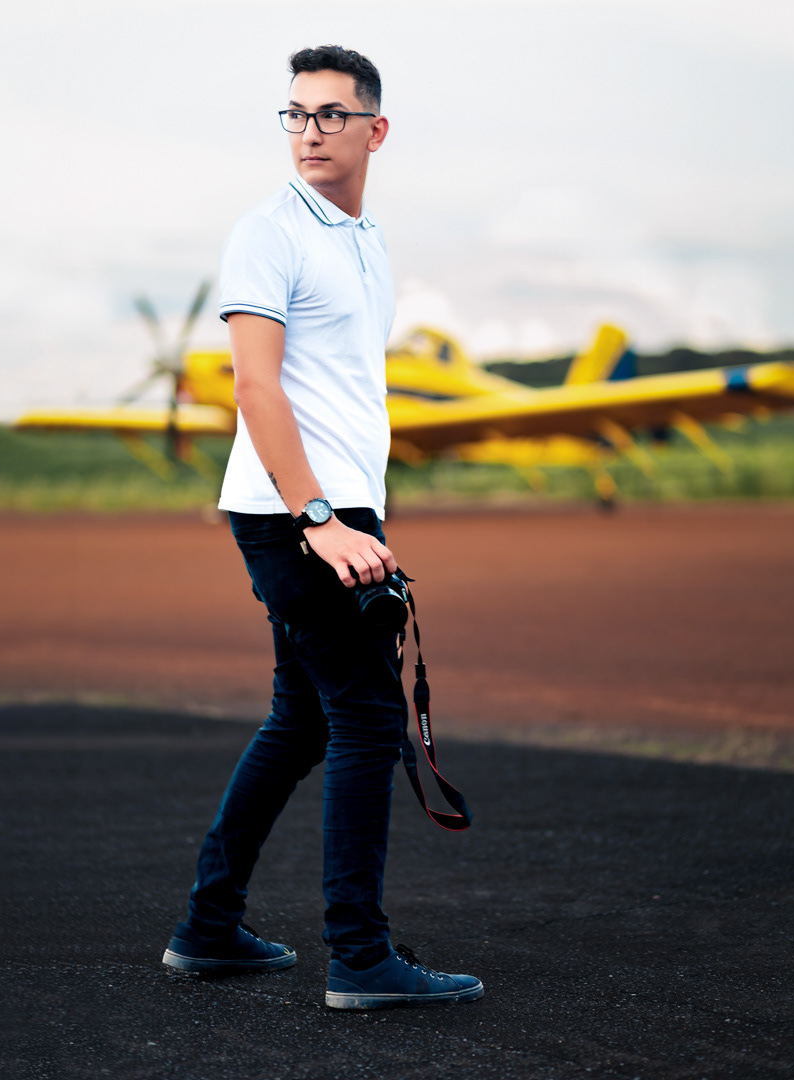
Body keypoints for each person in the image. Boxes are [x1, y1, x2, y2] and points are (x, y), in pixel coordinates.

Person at [162, 44, 483, 1011]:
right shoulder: (269, 233)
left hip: (337, 509)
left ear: (375, 131)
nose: (309, 131)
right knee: (368, 718)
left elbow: (340, 393)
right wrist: (319, 518)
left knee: (303, 719)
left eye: (331, 115)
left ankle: (208, 928)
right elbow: (256, 387)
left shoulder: (364, 239)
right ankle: (360, 956)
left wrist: (354, 513)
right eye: (296, 114)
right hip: (295, 512)